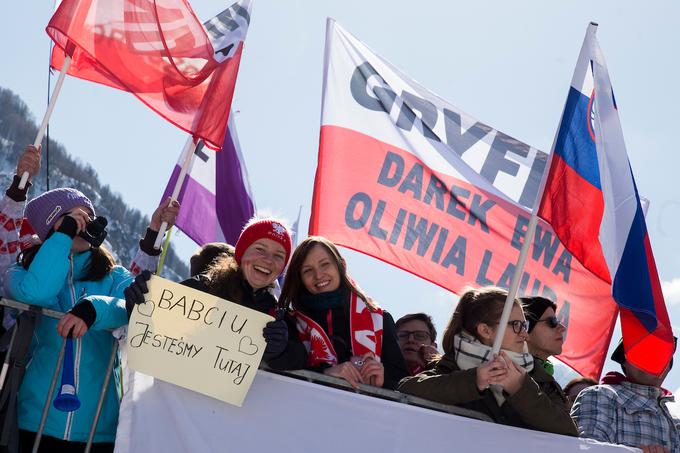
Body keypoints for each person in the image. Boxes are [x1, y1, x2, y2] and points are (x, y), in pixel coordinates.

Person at [4, 188, 134, 452]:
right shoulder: (20, 272)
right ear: (51, 225)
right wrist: (61, 238)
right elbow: (38, 292)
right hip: (37, 418)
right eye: (75, 218)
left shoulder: (115, 276)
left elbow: (132, 307)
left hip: (97, 426)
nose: (84, 224)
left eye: (89, 218)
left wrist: (93, 309)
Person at [125, 216, 307, 371]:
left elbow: (304, 360)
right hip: (178, 405)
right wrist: (138, 303)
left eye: (278, 255)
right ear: (242, 253)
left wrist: (280, 351)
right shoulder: (205, 286)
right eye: (260, 249)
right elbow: (154, 326)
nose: (268, 260)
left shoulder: (277, 314)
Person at [397, 287, 577, 436]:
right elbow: (406, 390)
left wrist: (520, 389)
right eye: (516, 325)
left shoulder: (539, 377)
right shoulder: (451, 366)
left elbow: (569, 430)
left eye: (525, 326)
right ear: (485, 330)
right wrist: (474, 380)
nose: (524, 334)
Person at [278, 236, 408, 390]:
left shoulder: (379, 319)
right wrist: (324, 373)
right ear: (300, 278)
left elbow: (403, 385)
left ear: (341, 265)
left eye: (325, 264)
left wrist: (383, 380)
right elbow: (279, 371)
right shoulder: (290, 322)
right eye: (308, 270)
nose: (318, 275)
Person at [571, 338, 680, 453]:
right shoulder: (600, 396)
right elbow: (586, 450)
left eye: (661, 354)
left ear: (669, 366)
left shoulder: (675, 421)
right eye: (641, 351)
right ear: (624, 359)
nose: (651, 359)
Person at [521, 296, 572, 417]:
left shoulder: (546, 377)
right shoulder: (510, 371)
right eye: (552, 322)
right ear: (525, 328)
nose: (562, 328)